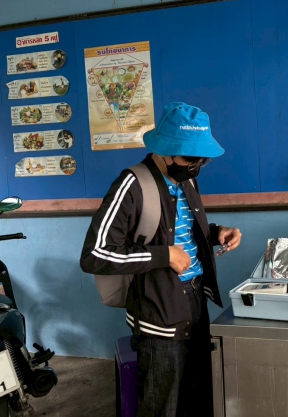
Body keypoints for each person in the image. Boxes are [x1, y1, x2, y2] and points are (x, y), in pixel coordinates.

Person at [80, 102, 242, 417]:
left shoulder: (187, 179)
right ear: (165, 150)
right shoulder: (132, 185)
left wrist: (217, 232)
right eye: (190, 158)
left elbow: (181, 230)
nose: (197, 166)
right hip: (157, 313)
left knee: (198, 396)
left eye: (203, 159)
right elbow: (95, 255)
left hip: (195, 300)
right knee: (162, 403)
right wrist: (164, 255)